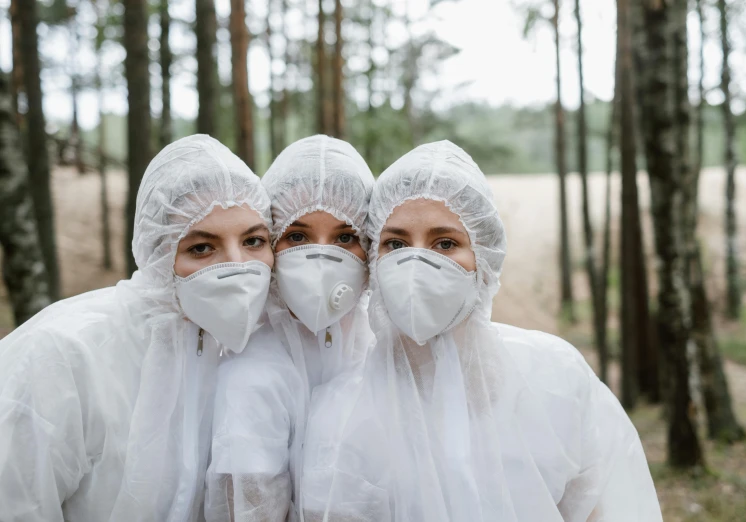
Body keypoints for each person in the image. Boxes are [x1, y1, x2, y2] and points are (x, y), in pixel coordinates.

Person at [301, 141, 663, 521]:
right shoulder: (339, 414)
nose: (416, 262)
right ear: (374, 260)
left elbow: (603, 507)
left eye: (445, 243)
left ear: (485, 259)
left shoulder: (555, 379)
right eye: (396, 243)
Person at [0, 135, 275, 521]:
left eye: (254, 240)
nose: (237, 266)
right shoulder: (64, 355)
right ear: (157, 252)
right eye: (201, 248)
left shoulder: (237, 353)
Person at [204, 135, 375, 522]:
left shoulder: (381, 348)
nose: (320, 256)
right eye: (297, 237)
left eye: (345, 237)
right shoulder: (251, 378)